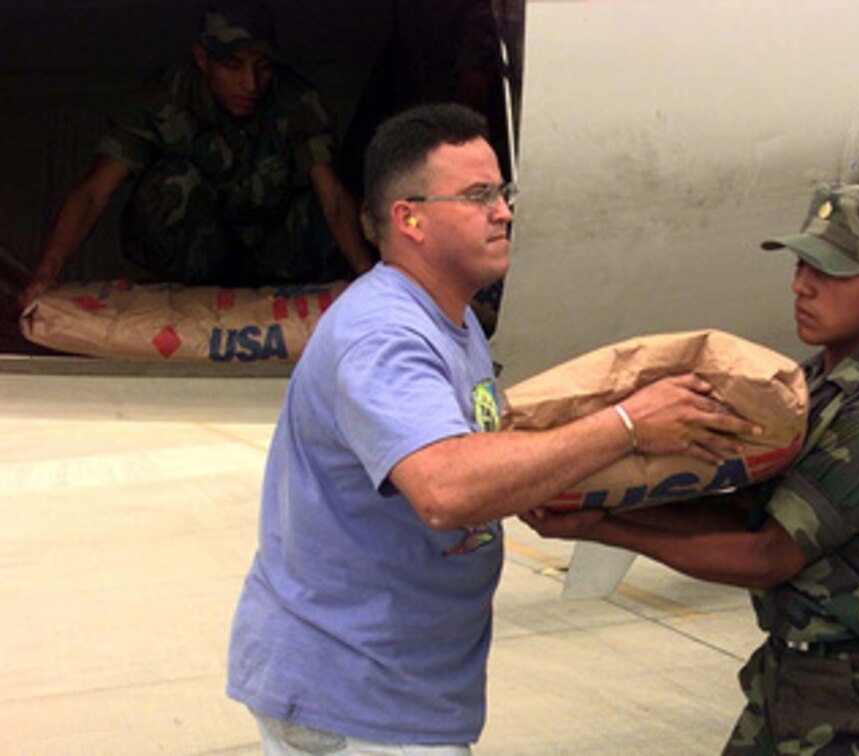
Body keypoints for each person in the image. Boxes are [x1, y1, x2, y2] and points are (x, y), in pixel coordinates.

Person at [226, 102, 759, 754]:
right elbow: (445, 490)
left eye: (503, 193)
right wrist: (627, 426)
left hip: (396, 690)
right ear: (409, 218)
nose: (504, 211)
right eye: (479, 195)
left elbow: (480, 457)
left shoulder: (454, 321)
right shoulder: (385, 334)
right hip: (356, 700)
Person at [523, 183, 859, 754]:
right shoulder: (819, 385)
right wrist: (594, 494)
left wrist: (598, 528)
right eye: (803, 264)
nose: (802, 284)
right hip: (792, 680)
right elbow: (742, 508)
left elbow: (766, 554)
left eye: (831, 271)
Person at [18, 0, 371, 309]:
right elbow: (95, 193)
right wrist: (45, 275)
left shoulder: (296, 101)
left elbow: (334, 200)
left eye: (261, 66)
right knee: (175, 183)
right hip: (195, 255)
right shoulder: (162, 100)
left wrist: (372, 281)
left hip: (273, 252)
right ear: (203, 59)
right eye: (233, 66)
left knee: (330, 203)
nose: (250, 83)